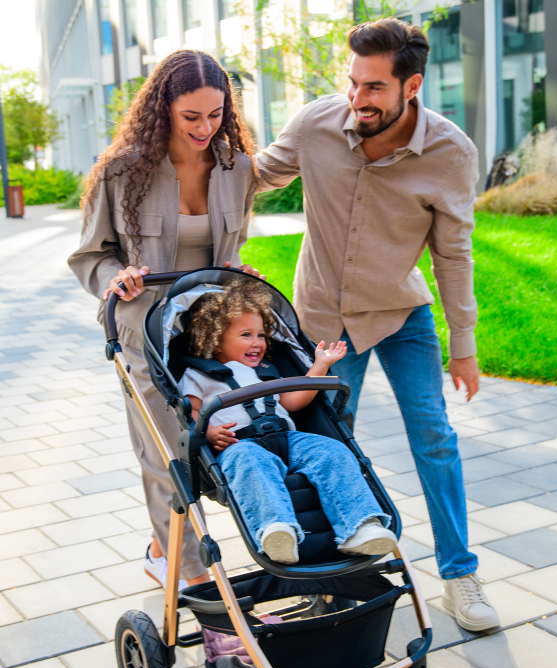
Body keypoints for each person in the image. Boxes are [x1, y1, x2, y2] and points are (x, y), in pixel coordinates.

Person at [254, 18, 499, 629]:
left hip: (399, 312)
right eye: (353, 83)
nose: (357, 100)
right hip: (323, 322)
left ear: (410, 86)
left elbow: (453, 253)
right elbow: (253, 178)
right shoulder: (316, 124)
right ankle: (336, 577)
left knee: (435, 437)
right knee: (326, 445)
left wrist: (463, 346)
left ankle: (460, 574)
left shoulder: (450, 153)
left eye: (374, 89)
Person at [69, 50, 257, 590]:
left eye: (216, 114)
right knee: (166, 450)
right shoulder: (123, 170)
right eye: (191, 116)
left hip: (208, 331)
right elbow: (90, 256)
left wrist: (237, 270)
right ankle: (197, 582)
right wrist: (115, 276)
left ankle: (161, 546)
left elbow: (229, 247)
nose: (205, 128)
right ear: (163, 108)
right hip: (143, 330)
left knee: (224, 441)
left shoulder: (237, 169)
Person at [179, 276, 396, 564]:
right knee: (250, 463)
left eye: (260, 335)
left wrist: (320, 365)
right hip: (238, 443)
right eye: (246, 335)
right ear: (216, 339)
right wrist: (206, 433)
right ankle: (275, 530)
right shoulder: (198, 375)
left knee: (332, 452)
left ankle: (360, 527)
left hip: (288, 438)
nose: (257, 342)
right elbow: (191, 413)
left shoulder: (266, 371)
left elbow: (293, 401)